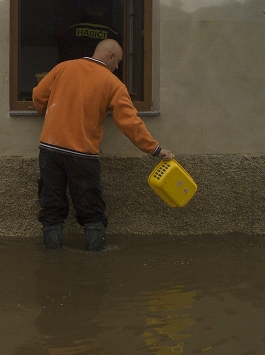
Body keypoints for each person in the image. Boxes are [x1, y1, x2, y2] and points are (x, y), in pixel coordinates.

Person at [32, 39, 175, 252]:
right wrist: (155, 149)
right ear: (109, 56)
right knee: (91, 208)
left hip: (50, 150)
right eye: (117, 61)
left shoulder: (63, 67)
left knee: (51, 207)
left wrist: (50, 113)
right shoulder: (113, 83)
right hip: (83, 154)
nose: (117, 67)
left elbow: (38, 96)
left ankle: (52, 264)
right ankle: (95, 261)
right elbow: (130, 122)